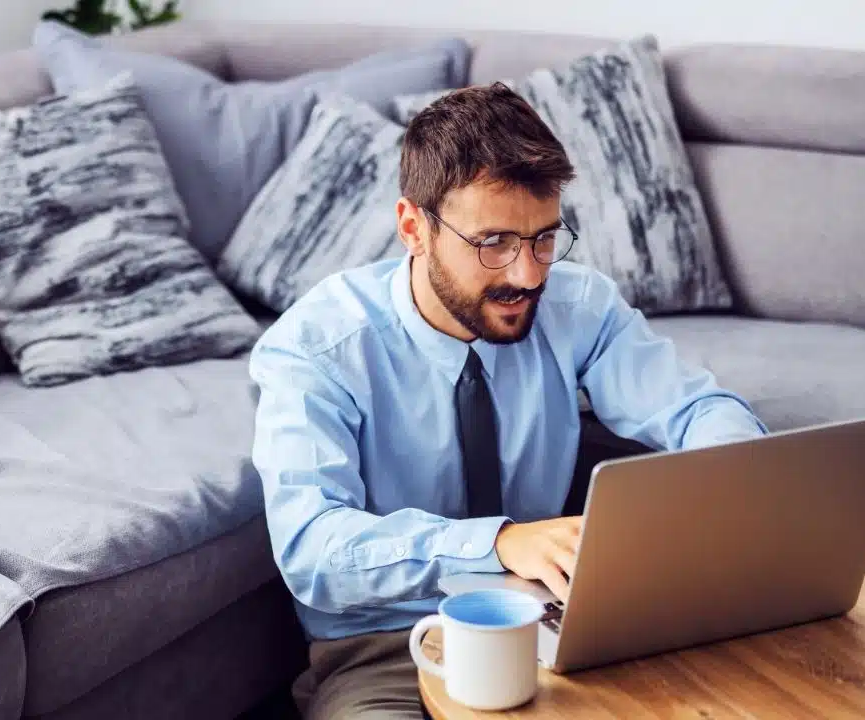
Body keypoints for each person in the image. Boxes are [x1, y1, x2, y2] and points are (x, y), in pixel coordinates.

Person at [247, 82, 768, 719]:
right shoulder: (316, 347)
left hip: (555, 625)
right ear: (414, 228)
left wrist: (740, 490)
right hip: (388, 649)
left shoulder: (579, 307)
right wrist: (498, 544)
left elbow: (698, 411)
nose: (528, 274)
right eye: (493, 243)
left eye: (545, 238)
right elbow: (313, 549)